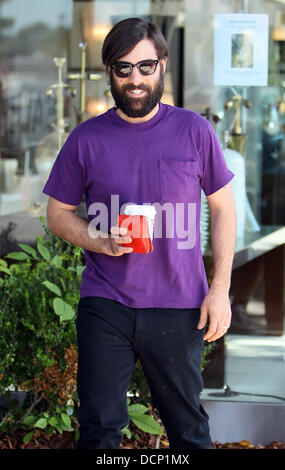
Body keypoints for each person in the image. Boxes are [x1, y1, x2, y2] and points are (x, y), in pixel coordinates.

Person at [43, 17, 236, 450]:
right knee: (99, 431)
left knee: (188, 432)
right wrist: (101, 241)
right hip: (106, 303)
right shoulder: (86, 139)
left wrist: (219, 288)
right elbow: (57, 214)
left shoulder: (194, 130)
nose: (135, 79)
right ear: (109, 71)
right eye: (123, 67)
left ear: (163, 65)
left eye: (146, 66)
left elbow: (223, 208)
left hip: (179, 303)